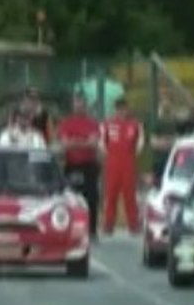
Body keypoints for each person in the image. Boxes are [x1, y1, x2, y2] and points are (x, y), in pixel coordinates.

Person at [56, 94, 102, 237]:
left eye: (81, 103)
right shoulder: (66, 123)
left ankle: (92, 230)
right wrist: (83, 142)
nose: (79, 106)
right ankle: (70, 228)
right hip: (72, 166)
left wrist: (74, 142)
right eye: (76, 103)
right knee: (71, 198)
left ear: (85, 105)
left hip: (89, 165)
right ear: (73, 105)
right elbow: (64, 144)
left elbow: (93, 144)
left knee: (92, 198)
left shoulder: (92, 124)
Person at [100, 98, 144, 236]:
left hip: (128, 163)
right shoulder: (107, 124)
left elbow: (140, 143)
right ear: (116, 109)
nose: (122, 111)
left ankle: (134, 225)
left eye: (124, 108)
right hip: (112, 163)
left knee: (130, 195)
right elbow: (102, 143)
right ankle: (108, 225)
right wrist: (109, 155)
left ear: (127, 108)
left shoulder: (135, 124)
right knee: (111, 194)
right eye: (119, 108)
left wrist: (132, 155)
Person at [148, 99, 179, 180]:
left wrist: (168, 142)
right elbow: (153, 142)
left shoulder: (174, 123)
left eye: (168, 108)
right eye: (165, 108)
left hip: (172, 159)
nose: (167, 110)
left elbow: (177, 140)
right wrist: (165, 143)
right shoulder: (157, 124)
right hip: (159, 159)